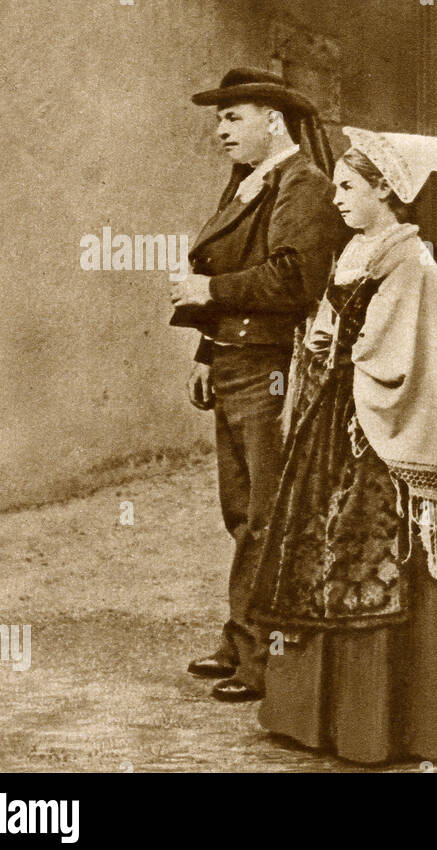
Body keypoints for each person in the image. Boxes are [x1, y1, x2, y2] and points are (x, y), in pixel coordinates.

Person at [248, 128, 437, 764]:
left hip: (378, 433)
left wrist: (340, 353)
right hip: (333, 421)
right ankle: (309, 714)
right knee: (315, 549)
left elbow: (401, 352)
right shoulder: (353, 250)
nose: (338, 200)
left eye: (350, 189)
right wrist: (320, 342)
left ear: (385, 190)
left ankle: (384, 722)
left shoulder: (412, 260)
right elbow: (326, 322)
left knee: (371, 553)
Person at [170, 68, 348, 702]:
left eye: (232, 117)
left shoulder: (303, 186)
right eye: (219, 119)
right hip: (235, 361)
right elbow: (234, 263)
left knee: (267, 517)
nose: (220, 130)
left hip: (274, 368)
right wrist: (205, 349)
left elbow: (296, 278)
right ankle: (242, 637)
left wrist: (209, 293)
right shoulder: (250, 184)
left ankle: (264, 659)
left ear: (274, 122)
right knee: (241, 512)